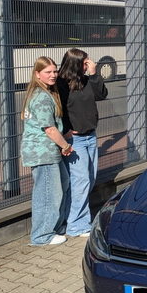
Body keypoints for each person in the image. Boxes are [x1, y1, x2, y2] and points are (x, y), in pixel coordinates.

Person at [21, 56, 74, 246]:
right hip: (42, 152)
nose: (53, 75)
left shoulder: (42, 92)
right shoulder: (42, 96)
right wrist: (65, 146)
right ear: (37, 74)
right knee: (47, 193)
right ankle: (42, 235)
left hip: (46, 151)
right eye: (48, 72)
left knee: (62, 184)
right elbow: (49, 129)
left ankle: (56, 227)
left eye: (54, 71)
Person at [56, 48, 108, 237]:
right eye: (86, 63)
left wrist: (94, 75)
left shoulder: (86, 81)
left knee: (90, 178)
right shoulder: (61, 84)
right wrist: (66, 130)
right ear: (76, 64)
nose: (89, 64)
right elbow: (58, 110)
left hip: (90, 136)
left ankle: (74, 218)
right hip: (75, 139)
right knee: (81, 181)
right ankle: (77, 225)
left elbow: (102, 95)